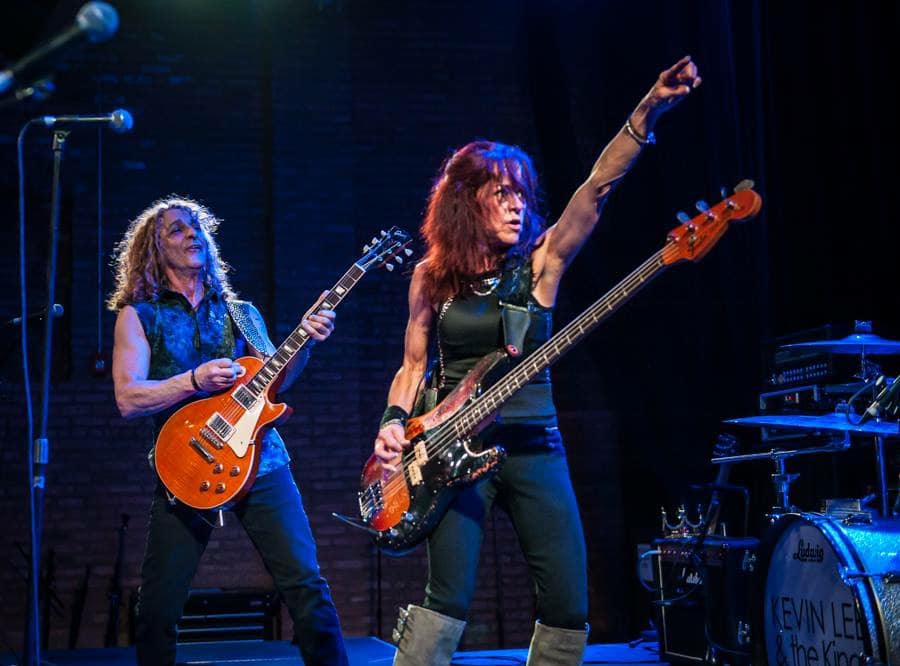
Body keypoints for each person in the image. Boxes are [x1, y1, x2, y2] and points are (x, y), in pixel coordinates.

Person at [373, 56, 701, 665]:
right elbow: (413, 365)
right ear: (466, 202)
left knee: (568, 604)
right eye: (502, 194)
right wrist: (393, 421)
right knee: (446, 601)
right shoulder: (431, 277)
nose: (516, 205)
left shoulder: (540, 264)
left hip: (533, 447)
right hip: (449, 450)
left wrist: (648, 109)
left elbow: (596, 189)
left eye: (522, 193)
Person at [108, 197, 348, 666]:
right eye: (178, 229)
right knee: (157, 609)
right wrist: (193, 380)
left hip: (262, 460)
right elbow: (128, 398)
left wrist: (305, 340)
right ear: (154, 248)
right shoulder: (139, 315)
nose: (192, 234)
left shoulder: (241, 312)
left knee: (307, 586)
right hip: (186, 464)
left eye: (197, 227)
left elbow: (275, 381)